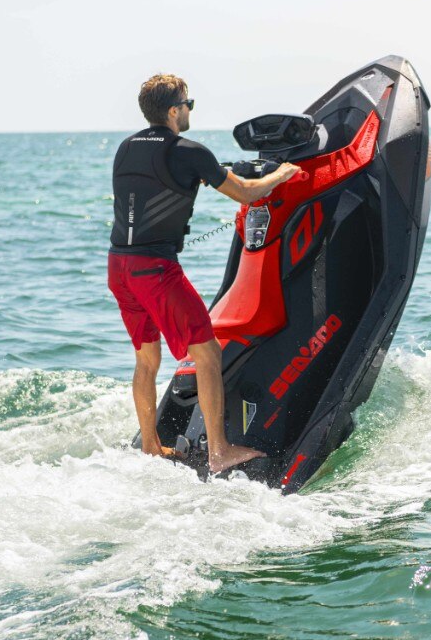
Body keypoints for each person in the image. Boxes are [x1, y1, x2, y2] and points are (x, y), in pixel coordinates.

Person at [107, 73, 299, 473]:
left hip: (119, 266)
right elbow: (247, 192)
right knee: (208, 353)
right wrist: (283, 174)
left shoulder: (126, 148)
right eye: (188, 104)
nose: (191, 110)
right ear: (175, 110)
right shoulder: (188, 150)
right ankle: (219, 452)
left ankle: (150, 447)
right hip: (155, 271)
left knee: (146, 361)